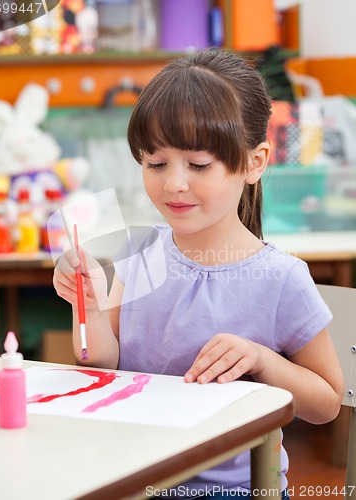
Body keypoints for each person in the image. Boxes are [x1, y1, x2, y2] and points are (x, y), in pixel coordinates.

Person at [53, 48, 344, 499]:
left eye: (199, 164)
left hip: (232, 491)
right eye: (156, 163)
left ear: (255, 162)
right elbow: (99, 365)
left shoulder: (280, 278)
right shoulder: (140, 250)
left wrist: (263, 361)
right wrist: (87, 307)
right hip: (133, 477)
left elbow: (326, 403)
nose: (173, 184)